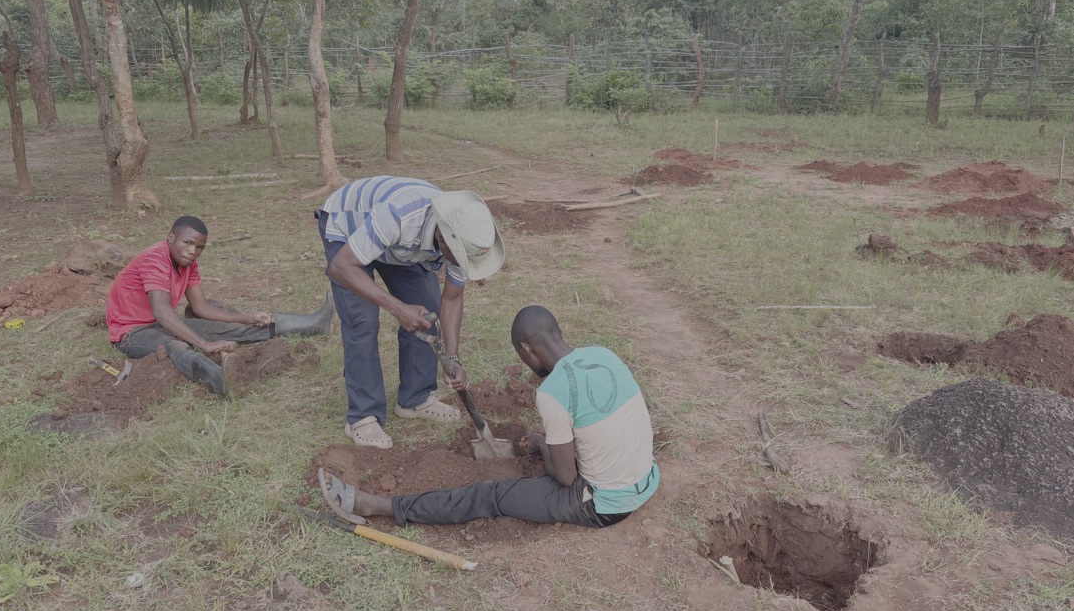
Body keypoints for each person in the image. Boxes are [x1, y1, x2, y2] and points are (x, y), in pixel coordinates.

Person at [318, 305, 659, 529]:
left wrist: (541, 444)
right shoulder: (602, 355)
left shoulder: (553, 392)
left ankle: (379, 505)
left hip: (603, 504)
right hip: (645, 479)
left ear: (527, 349)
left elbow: (567, 478)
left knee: (489, 495)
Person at [315, 176, 505, 449]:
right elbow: (341, 267)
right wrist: (398, 308)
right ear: (443, 239)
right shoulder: (400, 216)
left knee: (426, 310)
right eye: (461, 259)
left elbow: (451, 300)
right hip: (348, 228)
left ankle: (415, 399)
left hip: (398, 245)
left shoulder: (463, 237)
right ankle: (363, 416)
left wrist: (453, 358)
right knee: (363, 320)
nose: (465, 265)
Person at [106, 215, 333, 396]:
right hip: (131, 333)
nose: (193, 251)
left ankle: (313, 325)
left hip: (161, 324)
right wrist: (204, 344)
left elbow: (201, 307)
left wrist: (246, 318)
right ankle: (221, 381)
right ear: (171, 237)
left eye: (199, 247)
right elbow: (161, 310)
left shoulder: (188, 263)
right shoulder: (155, 259)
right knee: (175, 346)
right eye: (187, 243)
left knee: (224, 328)